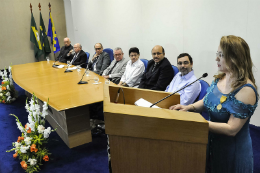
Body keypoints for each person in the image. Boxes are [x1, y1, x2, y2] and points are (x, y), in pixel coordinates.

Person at [170, 35, 258, 173]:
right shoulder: (221, 77)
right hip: (212, 144)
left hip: (232, 152)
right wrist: (189, 107)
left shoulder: (246, 90)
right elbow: (206, 101)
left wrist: (198, 122)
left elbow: (231, 129)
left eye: (221, 55)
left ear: (235, 58)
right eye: (217, 54)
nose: (216, 58)